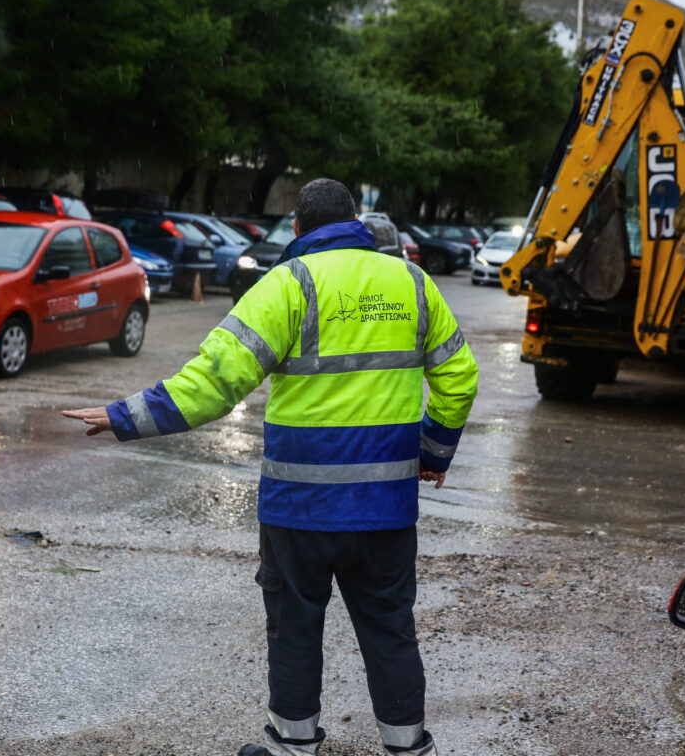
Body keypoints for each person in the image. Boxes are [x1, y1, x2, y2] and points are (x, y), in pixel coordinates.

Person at [64, 178, 478, 756]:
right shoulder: (411, 282)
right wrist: (434, 452)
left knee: (294, 629)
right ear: (355, 221)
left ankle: (292, 745)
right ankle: (408, 747)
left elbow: (213, 383)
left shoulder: (288, 283)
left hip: (300, 510)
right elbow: (459, 376)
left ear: (299, 228)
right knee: (390, 630)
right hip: (385, 509)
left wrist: (123, 416)